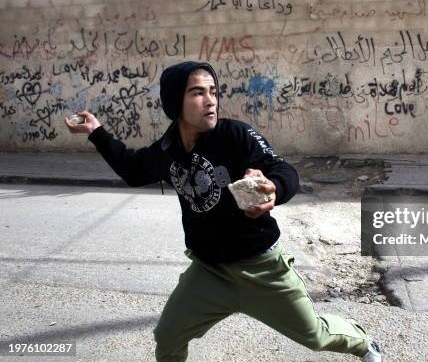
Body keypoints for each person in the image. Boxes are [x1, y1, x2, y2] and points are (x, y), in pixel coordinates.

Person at [64, 61, 382, 362]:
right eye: (198, 92)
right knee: (168, 337)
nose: (210, 101)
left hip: (261, 268)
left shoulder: (234, 135)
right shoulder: (168, 149)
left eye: (213, 92)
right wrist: (97, 132)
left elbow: (281, 169)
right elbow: (133, 169)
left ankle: (365, 343)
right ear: (176, 102)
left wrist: (274, 186)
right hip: (209, 271)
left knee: (315, 335)